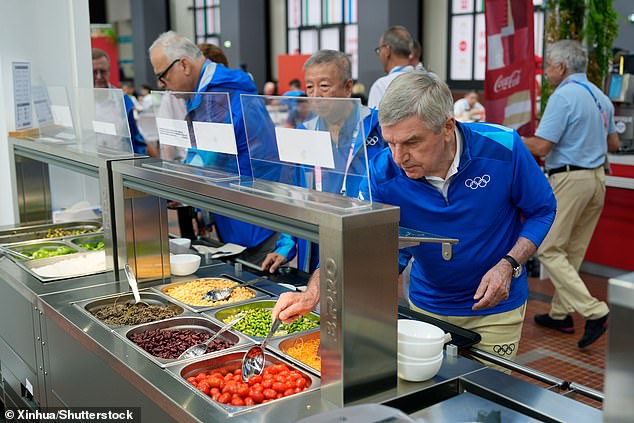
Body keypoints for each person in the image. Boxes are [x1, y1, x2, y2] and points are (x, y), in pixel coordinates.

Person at [274, 71, 557, 362]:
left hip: (496, 308)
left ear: (447, 127)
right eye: (390, 143)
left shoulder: (503, 147)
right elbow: (352, 242)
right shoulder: (381, 173)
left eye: (411, 142)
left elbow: (543, 210)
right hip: (426, 306)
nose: (399, 157)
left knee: (489, 402)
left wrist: (508, 265)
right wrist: (313, 293)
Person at [149, 31, 279, 263]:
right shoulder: (209, 92)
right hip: (240, 209)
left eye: (163, 76)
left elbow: (206, 159)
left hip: (252, 216)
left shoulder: (219, 95)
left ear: (184, 65)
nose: (162, 85)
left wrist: (171, 182)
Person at [522, 40, 619, 348]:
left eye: (548, 66)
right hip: (597, 180)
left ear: (561, 67)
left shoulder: (564, 96)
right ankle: (561, 314)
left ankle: (596, 311)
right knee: (572, 251)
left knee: (548, 247)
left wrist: (508, 136)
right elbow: (614, 144)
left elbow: (541, 146)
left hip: (570, 179)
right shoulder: (602, 97)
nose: (546, 72)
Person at [262, 50, 386, 274]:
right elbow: (297, 194)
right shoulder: (305, 132)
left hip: (364, 239)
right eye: (310, 87)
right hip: (317, 240)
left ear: (348, 88)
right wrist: (286, 245)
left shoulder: (378, 127)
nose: (316, 95)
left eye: (324, 86)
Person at [92, 48, 152, 156]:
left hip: (120, 163)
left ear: (109, 71)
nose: (99, 77)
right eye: (94, 72)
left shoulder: (122, 100)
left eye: (103, 71)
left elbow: (135, 138)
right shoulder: (82, 101)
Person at [368, 26, 415, 109]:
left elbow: (374, 121)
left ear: (387, 50)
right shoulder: (430, 80)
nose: (379, 55)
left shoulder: (381, 86)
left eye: (380, 50)